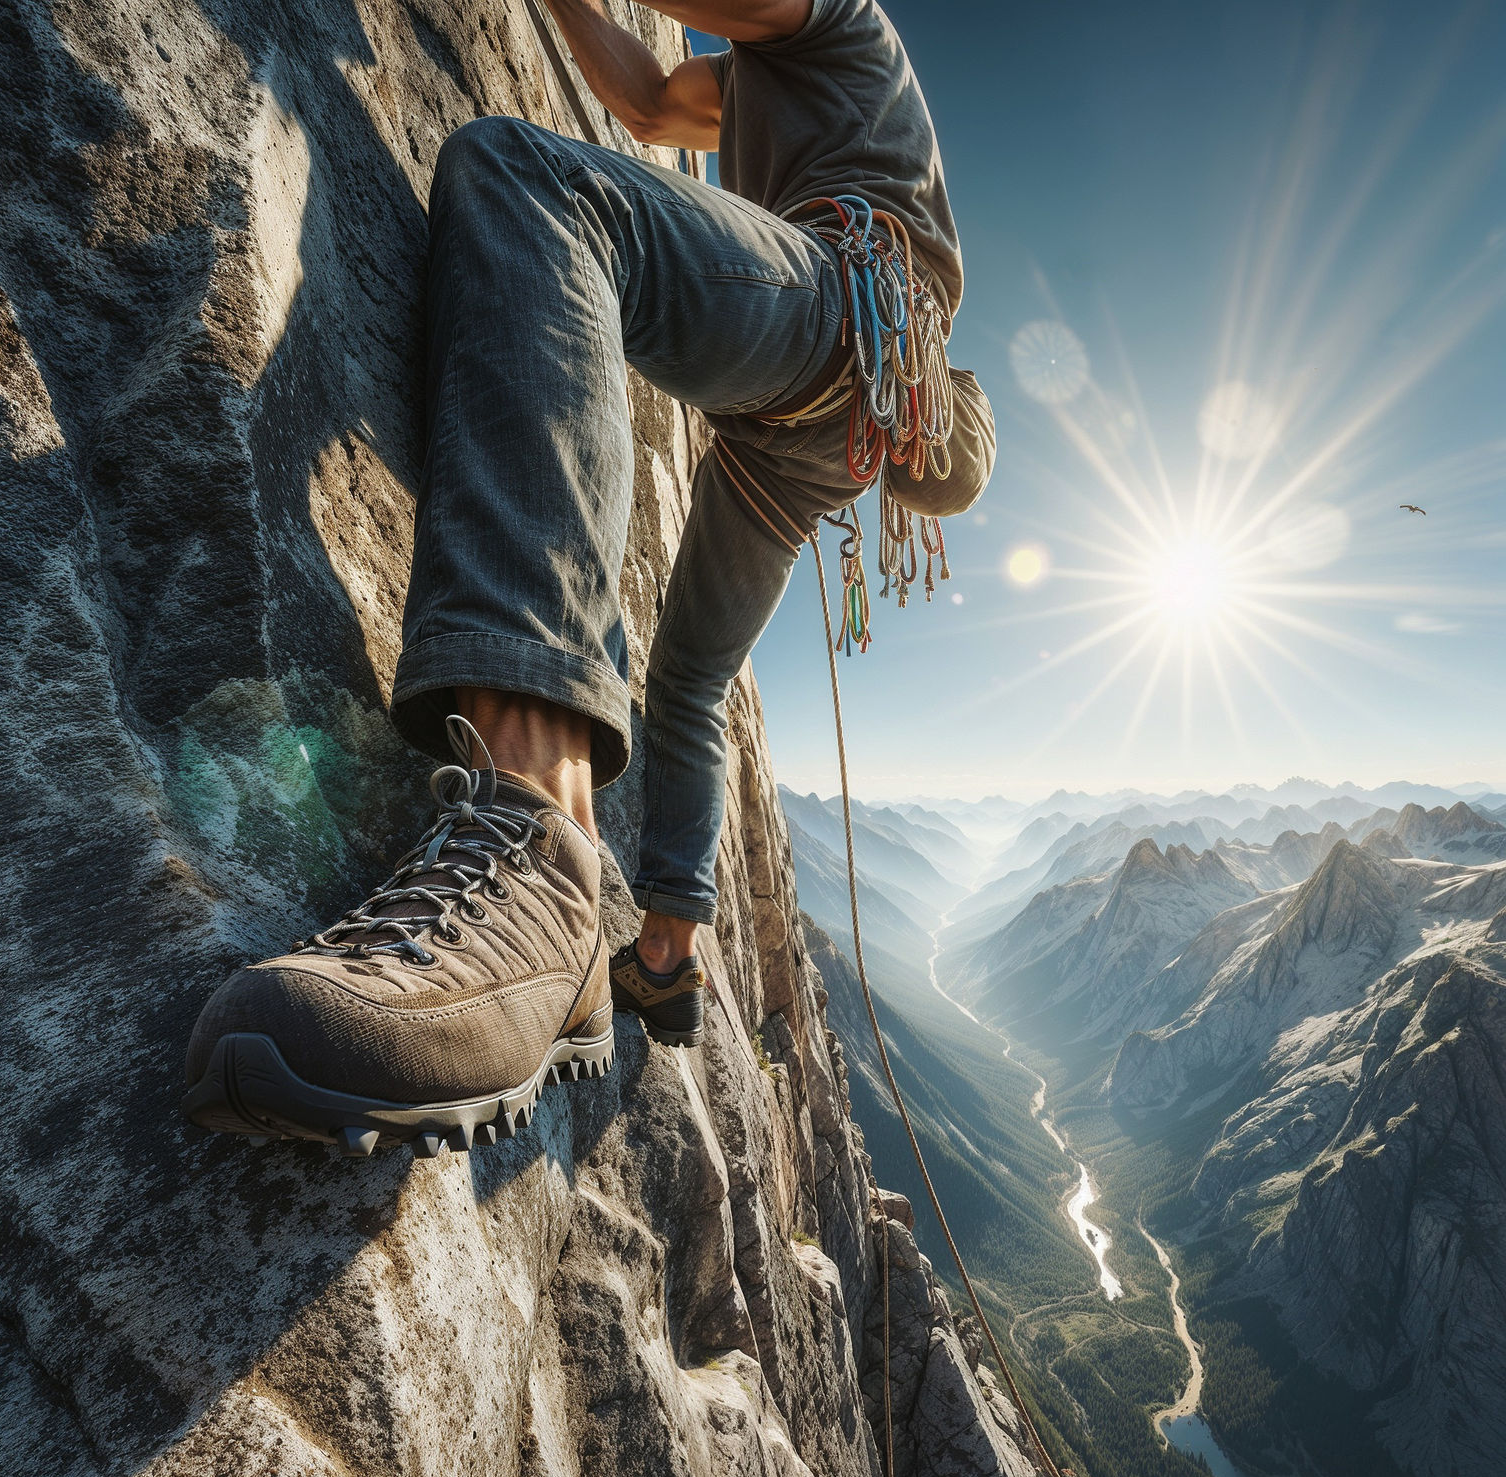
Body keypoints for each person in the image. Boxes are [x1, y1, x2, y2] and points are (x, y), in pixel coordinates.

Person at [182, 0, 994, 1155]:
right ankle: (668, 953)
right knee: (693, 680)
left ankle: (539, 852)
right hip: (819, 419)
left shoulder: (840, 21)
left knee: (525, 182)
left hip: (834, 311)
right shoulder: (758, 83)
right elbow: (650, 101)